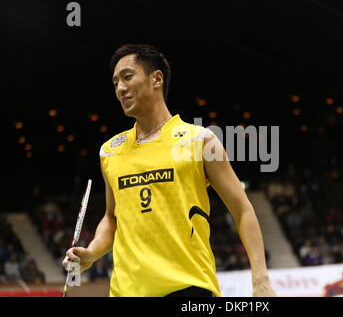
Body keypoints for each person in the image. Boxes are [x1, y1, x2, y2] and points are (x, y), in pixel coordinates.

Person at [63, 44, 276, 297]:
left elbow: (242, 209)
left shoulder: (199, 140)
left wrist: (260, 279)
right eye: (115, 82)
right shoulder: (110, 151)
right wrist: (93, 252)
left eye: (128, 77)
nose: (120, 88)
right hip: (127, 291)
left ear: (156, 79)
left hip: (188, 288)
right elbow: (112, 217)